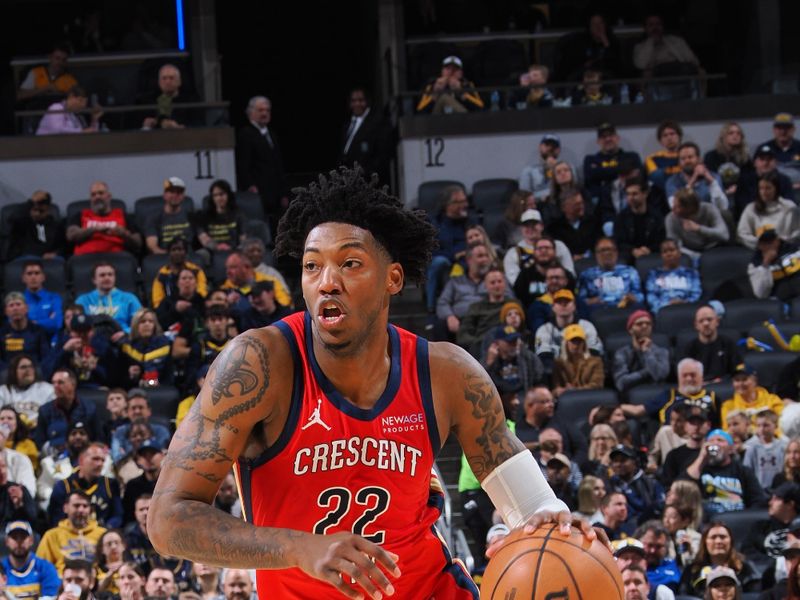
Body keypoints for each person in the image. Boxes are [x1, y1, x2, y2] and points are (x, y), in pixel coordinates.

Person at [148, 167, 592, 599]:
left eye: (350, 263)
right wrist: (299, 547)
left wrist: (557, 524)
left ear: (392, 279)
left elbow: (532, 508)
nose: (328, 282)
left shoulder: (446, 373)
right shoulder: (259, 365)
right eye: (312, 266)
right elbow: (168, 521)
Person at [684, 428, 768, 516]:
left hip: (736, 519)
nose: (715, 443)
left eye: (720, 440)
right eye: (711, 441)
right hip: (706, 520)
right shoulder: (699, 468)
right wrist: (701, 458)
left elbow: (758, 501)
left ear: (731, 448)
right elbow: (682, 488)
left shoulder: (743, 471)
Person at [235, 96, 289, 225]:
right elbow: (243, 164)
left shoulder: (271, 133)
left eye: (267, 110)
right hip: (258, 192)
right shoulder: (246, 134)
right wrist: (250, 186)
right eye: (260, 110)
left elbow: (278, 164)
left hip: (275, 192)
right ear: (251, 113)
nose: (264, 113)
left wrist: (283, 192)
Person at [622, 357, 716, 427]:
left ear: (701, 377)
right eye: (685, 375)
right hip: (672, 438)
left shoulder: (712, 397)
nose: (688, 379)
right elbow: (638, 410)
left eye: (693, 375)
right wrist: (614, 408)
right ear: (679, 377)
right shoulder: (668, 395)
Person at [47, 442, 122, 528]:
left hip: (102, 535)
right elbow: (55, 519)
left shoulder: (110, 484)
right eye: (95, 459)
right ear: (81, 460)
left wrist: (106, 529)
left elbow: (117, 516)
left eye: (102, 460)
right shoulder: (63, 486)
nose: (100, 464)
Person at [679, 522, 759, 595]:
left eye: (723, 537)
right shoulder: (692, 570)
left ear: (731, 541)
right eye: (713, 537)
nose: (718, 541)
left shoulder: (746, 568)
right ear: (704, 542)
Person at [36, 491, 106, 574]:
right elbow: (40, 568)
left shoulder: (103, 534)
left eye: (85, 506)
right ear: (65, 508)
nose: (81, 510)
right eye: (76, 506)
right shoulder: (51, 535)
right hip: (63, 582)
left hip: (96, 583)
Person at [434, 242, 493, 340]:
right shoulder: (456, 281)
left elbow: (509, 298)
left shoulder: (496, 280)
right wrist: (450, 316)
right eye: (480, 256)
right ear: (469, 260)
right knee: (440, 326)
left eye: (487, 256)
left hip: (486, 319)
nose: (485, 260)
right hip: (460, 321)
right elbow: (442, 303)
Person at [66, 181, 141, 255]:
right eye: (93, 195)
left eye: (101, 193)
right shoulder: (81, 215)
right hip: (85, 257)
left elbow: (138, 242)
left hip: (116, 257)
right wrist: (94, 229)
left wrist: (123, 233)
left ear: (109, 196)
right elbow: (71, 236)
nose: (97, 197)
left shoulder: (122, 215)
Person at [33, 369, 98, 453]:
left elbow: (98, 439)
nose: (55, 386)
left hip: (84, 455)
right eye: (54, 383)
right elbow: (40, 442)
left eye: (60, 382)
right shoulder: (45, 410)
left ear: (73, 385)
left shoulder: (89, 408)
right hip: (54, 457)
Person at [503, 209, 574, 286]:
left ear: (542, 226)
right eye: (526, 225)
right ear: (521, 229)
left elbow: (570, 272)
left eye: (534, 224)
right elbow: (515, 283)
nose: (530, 228)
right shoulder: (513, 254)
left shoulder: (558, 246)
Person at [338, 87, 392, 185]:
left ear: (367, 102)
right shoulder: (348, 125)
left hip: (369, 182)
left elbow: (383, 155)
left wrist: (367, 172)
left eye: (361, 100)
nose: (357, 104)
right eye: (354, 101)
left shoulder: (378, 123)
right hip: (349, 182)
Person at [456, 268, 514, 356]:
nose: (497, 285)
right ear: (485, 286)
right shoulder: (476, 307)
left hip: (509, 342)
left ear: (505, 284)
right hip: (481, 347)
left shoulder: (513, 304)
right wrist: (477, 343)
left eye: (499, 281)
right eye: (492, 282)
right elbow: (463, 333)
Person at [582, 123, 643, 206]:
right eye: (603, 137)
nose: (608, 139)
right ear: (598, 141)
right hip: (600, 204)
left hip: (628, 200)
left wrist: (600, 173)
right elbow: (589, 178)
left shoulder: (632, 156)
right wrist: (623, 171)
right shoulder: (590, 159)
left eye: (611, 135)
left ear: (617, 138)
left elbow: (639, 177)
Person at [736, 171, 800, 250]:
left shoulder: (789, 207)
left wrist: (782, 242)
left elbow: (797, 231)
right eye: (761, 188)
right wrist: (761, 243)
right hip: (760, 250)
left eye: (768, 188)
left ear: (776, 189)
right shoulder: (750, 208)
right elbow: (742, 233)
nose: (764, 192)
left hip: (786, 249)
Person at [577, 237, 643, 311]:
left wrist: (631, 298)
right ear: (596, 254)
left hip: (625, 309)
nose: (607, 253)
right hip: (598, 311)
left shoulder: (630, 272)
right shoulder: (587, 275)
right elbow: (580, 302)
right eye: (602, 250)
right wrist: (593, 301)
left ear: (616, 253)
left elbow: (640, 297)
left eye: (610, 249)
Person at [74, 263, 141, 335]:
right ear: (94, 280)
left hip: (122, 338)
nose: (107, 278)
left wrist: (125, 332)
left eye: (110, 274)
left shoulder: (130, 298)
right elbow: (75, 325)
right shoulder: (83, 300)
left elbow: (140, 323)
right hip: (92, 339)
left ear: (114, 277)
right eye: (102, 275)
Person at [679, 305, 741, 382]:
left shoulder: (728, 344)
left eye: (709, 319)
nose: (706, 323)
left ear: (717, 321)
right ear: (696, 325)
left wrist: (722, 380)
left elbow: (737, 372)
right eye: (701, 321)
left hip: (724, 388)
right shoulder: (690, 348)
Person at [613, 310, 670, 393]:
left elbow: (659, 376)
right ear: (630, 330)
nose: (644, 326)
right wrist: (646, 372)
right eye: (639, 324)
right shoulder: (622, 354)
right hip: (630, 398)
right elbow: (621, 383)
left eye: (648, 323)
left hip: (657, 395)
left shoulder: (662, 352)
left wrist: (647, 352)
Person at [2, 520, 60, 600]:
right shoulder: (1, 568)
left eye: (23, 537)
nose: (19, 542)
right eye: (14, 537)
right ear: (6, 541)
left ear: (31, 540)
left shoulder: (46, 568)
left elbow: (51, 597)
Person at [665, 188, 729, 260]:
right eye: (673, 204)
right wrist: (695, 256)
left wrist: (699, 229)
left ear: (689, 208)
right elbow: (674, 245)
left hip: (713, 248)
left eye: (678, 206)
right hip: (688, 253)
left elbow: (725, 235)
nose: (673, 209)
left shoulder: (709, 209)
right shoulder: (671, 218)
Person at [742, 481, 799, 562]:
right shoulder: (760, 528)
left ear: (790, 504)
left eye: (776, 499)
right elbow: (747, 552)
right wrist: (776, 565)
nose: (770, 502)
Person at [480, 326, 543, 399]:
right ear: (497, 343)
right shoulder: (489, 360)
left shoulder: (528, 357)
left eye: (516, 340)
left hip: (525, 397)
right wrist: (489, 362)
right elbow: (479, 383)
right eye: (510, 341)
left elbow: (538, 378)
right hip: (499, 400)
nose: (515, 344)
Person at [609, 445, 665, 525]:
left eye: (623, 460)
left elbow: (660, 506)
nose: (618, 464)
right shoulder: (609, 483)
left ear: (634, 462)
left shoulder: (650, 483)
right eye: (615, 461)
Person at [110, 390, 171, 463]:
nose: (137, 411)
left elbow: (161, 457)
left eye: (141, 407)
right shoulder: (119, 432)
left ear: (149, 411)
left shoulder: (161, 431)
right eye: (133, 408)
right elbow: (117, 459)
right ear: (128, 412)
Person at [118, 309, 173, 388]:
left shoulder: (165, 345)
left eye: (151, 321)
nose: (147, 324)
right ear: (135, 325)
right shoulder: (126, 346)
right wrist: (130, 375)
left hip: (160, 389)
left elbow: (169, 373)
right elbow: (118, 376)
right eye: (143, 321)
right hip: (132, 388)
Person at [666, 143, 729, 212]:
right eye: (683, 159)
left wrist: (711, 182)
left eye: (690, 157)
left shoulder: (713, 176)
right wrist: (692, 181)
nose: (687, 161)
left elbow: (722, 207)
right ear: (679, 162)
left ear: (699, 159)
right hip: (686, 217)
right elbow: (674, 207)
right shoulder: (672, 181)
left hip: (709, 216)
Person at [613, 178, 666, 259]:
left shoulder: (656, 217)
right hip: (628, 258)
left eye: (635, 194)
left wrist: (649, 250)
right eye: (628, 194)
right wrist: (633, 250)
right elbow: (618, 242)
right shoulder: (621, 217)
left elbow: (661, 241)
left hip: (652, 257)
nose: (630, 198)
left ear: (645, 194)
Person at [632, 14, 701, 76]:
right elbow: (640, 65)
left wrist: (665, 42)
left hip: (680, 74)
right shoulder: (639, 46)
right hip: (657, 79)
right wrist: (651, 42)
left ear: (663, 26)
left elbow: (694, 61)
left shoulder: (677, 40)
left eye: (658, 24)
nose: (655, 28)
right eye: (651, 25)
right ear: (646, 28)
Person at [661, 405, 712, 488]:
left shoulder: (713, 452)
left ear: (708, 425)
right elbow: (667, 486)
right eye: (692, 423)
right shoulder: (673, 456)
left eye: (700, 423)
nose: (696, 427)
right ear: (685, 426)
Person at [645, 239, 702, 314]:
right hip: (662, 311)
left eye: (672, 250)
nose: (669, 254)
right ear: (661, 255)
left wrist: (684, 303)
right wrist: (666, 305)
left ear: (679, 253)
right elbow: (651, 296)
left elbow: (696, 294)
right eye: (665, 251)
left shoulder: (691, 273)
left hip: (687, 309)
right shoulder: (654, 274)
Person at [721, 364, 784, 431]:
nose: (740, 384)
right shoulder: (728, 406)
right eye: (737, 380)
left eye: (744, 379)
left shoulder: (772, 400)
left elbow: (782, 424)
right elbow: (727, 430)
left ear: (755, 381)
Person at [151, 236, 208, 309]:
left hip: (194, 306)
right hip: (169, 310)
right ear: (169, 253)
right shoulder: (162, 275)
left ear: (186, 252)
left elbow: (202, 293)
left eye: (180, 249)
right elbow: (157, 302)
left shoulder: (196, 271)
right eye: (173, 250)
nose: (177, 252)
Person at [0, 293, 51, 373]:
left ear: (26, 308)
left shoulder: (39, 331)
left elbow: (46, 358)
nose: (15, 308)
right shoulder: (2, 333)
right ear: (6, 311)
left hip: (34, 373)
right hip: (9, 375)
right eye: (11, 305)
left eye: (18, 304)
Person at [7, 191, 66, 260]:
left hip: (48, 260)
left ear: (48, 210)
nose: (37, 214)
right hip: (25, 259)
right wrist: (31, 201)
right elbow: (12, 218)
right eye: (35, 210)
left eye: (41, 211)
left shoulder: (56, 226)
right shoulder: (22, 222)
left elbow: (64, 246)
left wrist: (56, 253)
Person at [221, 251, 291, 308]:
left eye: (233, 267)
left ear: (246, 267)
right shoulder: (226, 286)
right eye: (227, 268)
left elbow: (284, 304)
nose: (228, 272)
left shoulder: (271, 282)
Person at [139, 63, 199, 129]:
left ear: (179, 81)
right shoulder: (148, 101)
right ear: (159, 82)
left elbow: (198, 125)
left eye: (171, 78)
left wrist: (179, 127)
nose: (167, 82)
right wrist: (146, 125)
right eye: (164, 78)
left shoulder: (191, 101)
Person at [748, 224, 800, 300]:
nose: (769, 245)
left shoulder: (794, 249)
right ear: (759, 245)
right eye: (765, 243)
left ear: (777, 240)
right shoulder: (755, 264)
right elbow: (760, 293)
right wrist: (765, 264)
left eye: (771, 241)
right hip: (779, 302)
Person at [0, 355, 53, 430]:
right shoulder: (3, 391)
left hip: (37, 432)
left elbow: (52, 415)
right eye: (23, 367)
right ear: (13, 371)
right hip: (9, 434)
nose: (28, 370)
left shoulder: (47, 389)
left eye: (31, 366)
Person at [144, 177, 195, 254]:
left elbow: (203, 238)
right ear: (164, 195)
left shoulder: (191, 216)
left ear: (183, 196)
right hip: (164, 256)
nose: (175, 195)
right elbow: (152, 246)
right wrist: (172, 256)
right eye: (171, 192)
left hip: (189, 256)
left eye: (179, 192)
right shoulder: (153, 217)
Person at [416, 56, 483, 114]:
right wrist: (435, 94)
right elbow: (420, 111)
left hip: (462, 121)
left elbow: (480, 108)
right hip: (437, 122)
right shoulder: (431, 85)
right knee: (444, 98)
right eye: (448, 69)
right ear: (442, 71)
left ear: (461, 73)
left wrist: (462, 93)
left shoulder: (467, 85)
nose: (451, 72)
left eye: (455, 69)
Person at [551, 324, 604, 397]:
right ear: (566, 343)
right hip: (567, 398)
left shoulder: (595, 362)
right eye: (573, 341)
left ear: (584, 343)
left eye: (579, 341)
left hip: (589, 397)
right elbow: (556, 386)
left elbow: (597, 385)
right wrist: (558, 391)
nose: (576, 345)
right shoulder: (559, 363)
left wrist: (575, 390)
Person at [196, 179, 246, 254]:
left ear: (228, 195)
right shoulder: (204, 216)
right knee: (201, 254)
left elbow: (243, 239)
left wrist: (235, 249)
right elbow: (204, 240)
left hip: (234, 250)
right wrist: (217, 247)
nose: (219, 198)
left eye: (222, 194)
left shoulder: (238, 214)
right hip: (212, 251)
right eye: (215, 195)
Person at [547, 189, 600, 260]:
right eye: (576, 204)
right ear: (564, 207)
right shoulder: (555, 228)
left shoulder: (593, 222)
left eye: (582, 203)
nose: (581, 206)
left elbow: (599, 243)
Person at [743, 409, 788, 490]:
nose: (762, 429)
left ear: (776, 426)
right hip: (759, 490)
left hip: (780, 490)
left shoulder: (783, 447)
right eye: (758, 425)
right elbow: (747, 472)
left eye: (766, 425)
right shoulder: (752, 448)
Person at [20, 259, 63, 338]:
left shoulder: (54, 298)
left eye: (37, 273)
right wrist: (48, 321)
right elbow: (16, 326)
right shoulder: (18, 301)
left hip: (50, 342)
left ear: (43, 277)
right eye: (29, 274)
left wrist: (30, 323)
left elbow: (57, 323)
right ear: (23, 278)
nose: (33, 277)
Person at [634, 520, 681, 592]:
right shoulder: (629, 563)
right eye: (649, 545)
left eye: (659, 546)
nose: (653, 550)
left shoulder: (671, 565)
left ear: (666, 547)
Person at [35, 85, 101, 135]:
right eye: (80, 100)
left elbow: (88, 134)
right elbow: (57, 130)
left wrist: (94, 119)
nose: (83, 105)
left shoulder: (72, 115)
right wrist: (81, 132)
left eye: (85, 102)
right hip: (45, 148)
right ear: (71, 96)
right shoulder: (56, 107)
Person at [759, 112, 800, 192]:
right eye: (779, 128)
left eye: (786, 127)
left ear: (793, 129)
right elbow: (757, 173)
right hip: (772, 192)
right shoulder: (763, 149)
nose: (783, 131)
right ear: (774, 129)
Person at [518, 135, 561, 201]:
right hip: (537, 207)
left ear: (558, 150)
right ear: (540, 147)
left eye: (554, 146)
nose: (550, 148)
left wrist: (556, 169)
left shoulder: (566, 169)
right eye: (547, 145)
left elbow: (570, 191)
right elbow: (524, 197)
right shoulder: (528, 171)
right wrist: (543, 196)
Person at [0, 406, 39, 475]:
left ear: (17, 423)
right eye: (2, 419)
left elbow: (31, 470)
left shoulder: (28, 444)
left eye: (10, 418)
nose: (5, 421)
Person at [646, 121, 683, 192]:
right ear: (660, 141)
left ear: (679, 136)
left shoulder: (688, 156)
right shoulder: (652, 159)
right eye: (665, 135)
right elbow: (657, 179)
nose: (669, 138)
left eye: (672, 134)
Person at [95, 529, 129, 596]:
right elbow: (95, 591)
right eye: (109, 544)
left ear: (124, 546)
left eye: (117, 543)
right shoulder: (95, 569)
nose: (113, 547)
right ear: (102, 549)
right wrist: (108, 577)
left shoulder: (131, 567)